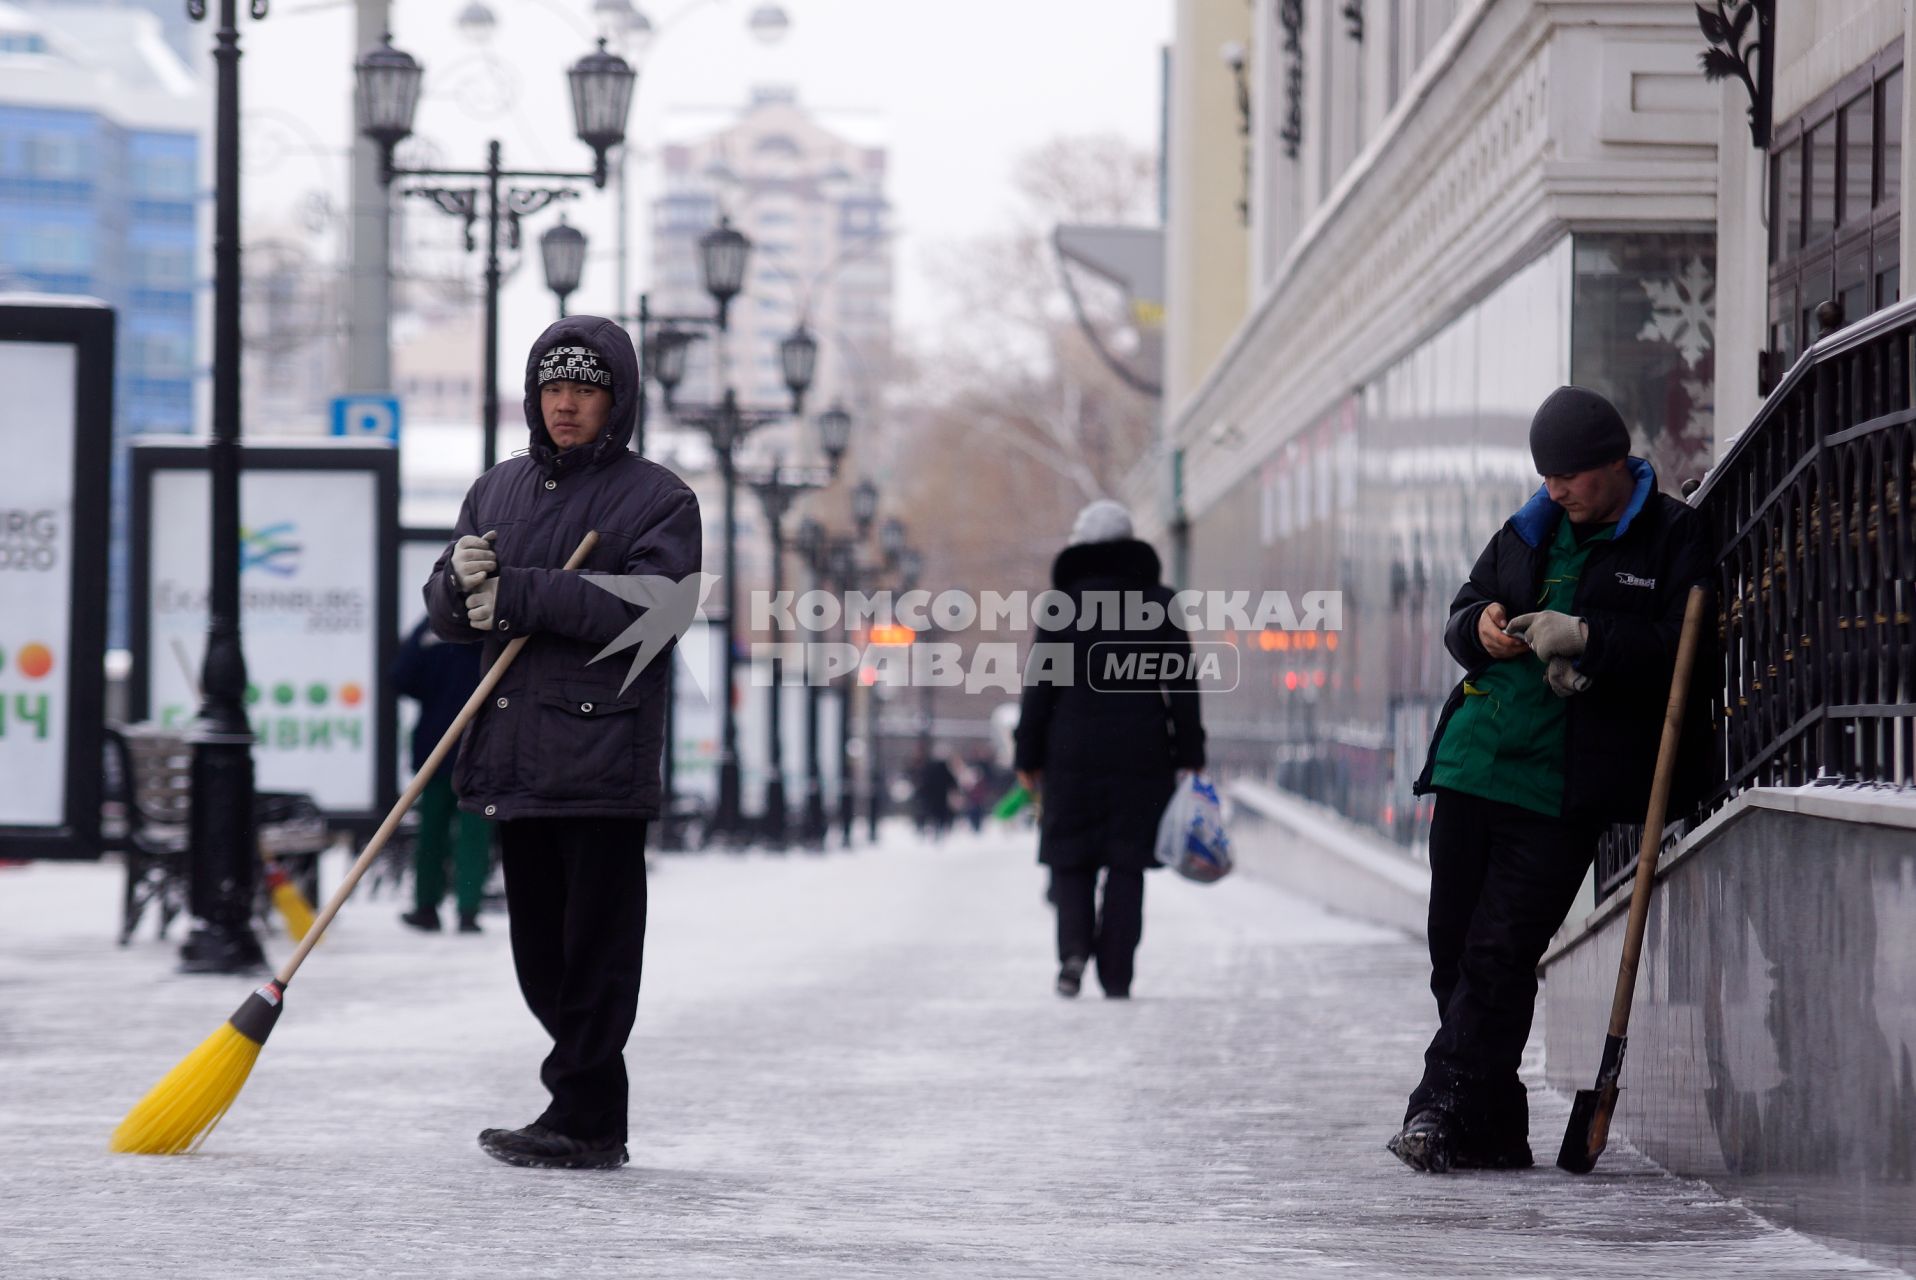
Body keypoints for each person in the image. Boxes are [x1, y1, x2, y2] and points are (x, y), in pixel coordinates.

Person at [1390, 385, 1710, 1173]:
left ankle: (1435, 1109)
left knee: (1498, 955)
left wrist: (1591, 639)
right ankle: (1493, 1127)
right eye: (1547, 478)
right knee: (1454, 951)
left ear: (1613, 463)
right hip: (1473, 764)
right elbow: (1463, 611)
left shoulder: (1670, 537)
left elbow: (1685, 649)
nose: (1556, 491)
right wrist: (1481, 628)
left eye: (1569, 477)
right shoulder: (1526, 530)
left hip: (1562, 785)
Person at [425, 315, 701, 1171]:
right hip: (513, 751)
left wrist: (527, 592)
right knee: (540, 953)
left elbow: (661, 610)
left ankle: (583, 1116)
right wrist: (455, 585)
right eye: (553, 389)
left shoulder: (659, 499)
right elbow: (448, 615)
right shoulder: (495, 492)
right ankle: (583, 1108)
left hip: (599, 756)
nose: (566, 406)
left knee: (596, 953)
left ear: (615, 401)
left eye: (584, 390)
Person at [1013, 500, 1205, 1000]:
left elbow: (1039, 688)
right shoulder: (1160, 601)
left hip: (1071, 750)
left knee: (1072, 859)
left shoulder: (1062, 606)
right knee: (1126, 862)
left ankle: (1073, 953)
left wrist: (1027, 755)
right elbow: (1181, 686)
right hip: (1142, 753)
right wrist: (1190, 752)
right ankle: (1117, 972)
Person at [393, 617, 490, 933]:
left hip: (437, 742)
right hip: (482, 744)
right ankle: (467, 909)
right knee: (472, 833)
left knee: (432, 833)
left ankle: (427, 906)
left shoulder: (431, 626)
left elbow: (401, 677)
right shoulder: (495, 619)